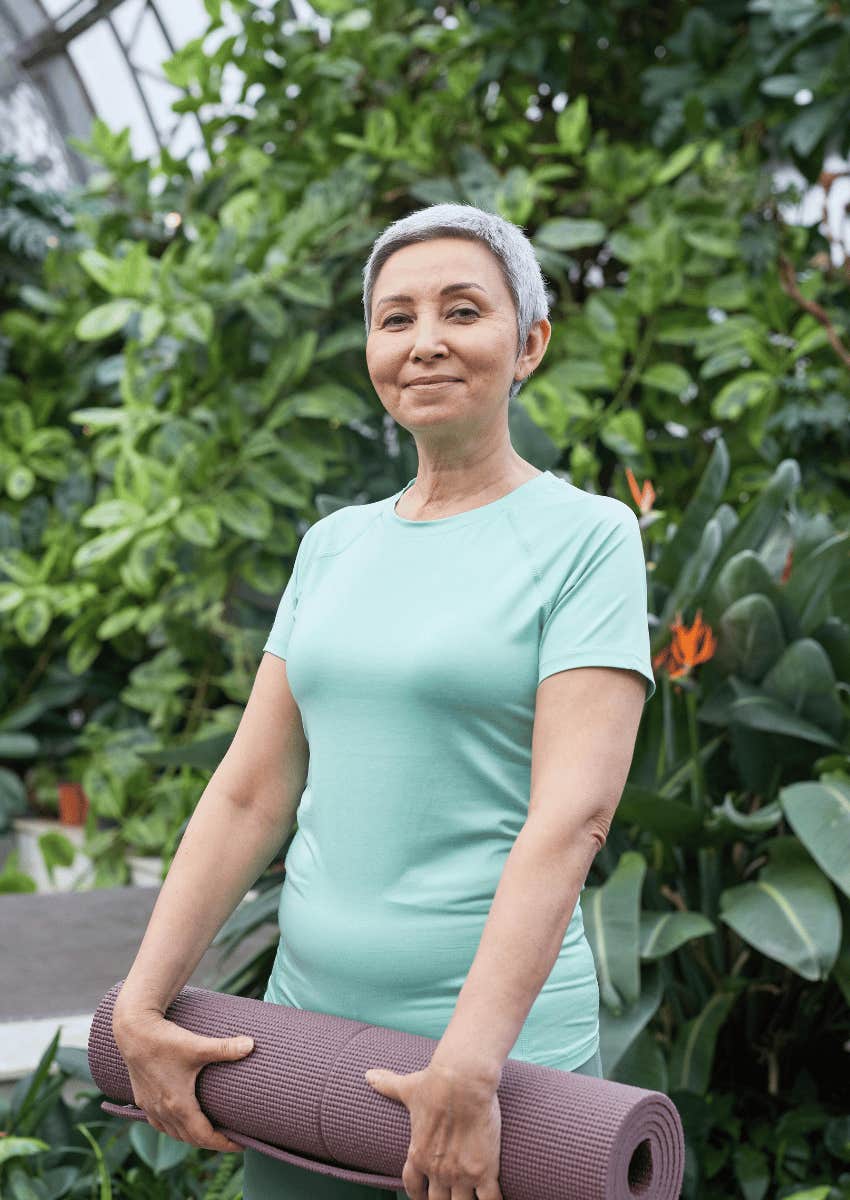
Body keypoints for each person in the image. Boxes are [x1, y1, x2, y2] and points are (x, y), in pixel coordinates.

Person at [112, 203, 656, 1200]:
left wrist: (471, 1060)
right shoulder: (334, 544)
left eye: (462, 310)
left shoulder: (589, 537)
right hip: (298, 1042)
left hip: (498, 1064)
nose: (425, 342)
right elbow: (249, 795)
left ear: (529, 342)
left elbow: (571, 817)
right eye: (394, 318)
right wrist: (138, 1007)